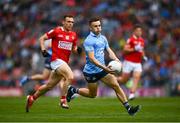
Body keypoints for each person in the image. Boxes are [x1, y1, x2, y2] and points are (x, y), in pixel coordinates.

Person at [66, 17, 140, 116]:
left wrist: (116, 59)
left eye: (99, 26)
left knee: (116, 86)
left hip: (102, 70)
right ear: (90, 28)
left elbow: (109, 50)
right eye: (95, 26)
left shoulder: (103, 38)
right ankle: (73, 90)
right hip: (90, 72)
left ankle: (129, 108)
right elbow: (92, 59)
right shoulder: (88, 41)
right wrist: (105, 68)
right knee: (92, 95)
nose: (98, 28)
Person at [25, 14, 82, 112]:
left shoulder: (73, 35)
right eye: (68, 21)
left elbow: (74, 48)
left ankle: (32, 98)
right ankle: (63, 100)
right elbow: (42, 38)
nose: (70, 24)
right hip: (56, 60)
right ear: (63, 22)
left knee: (49, 86)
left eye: (72, 22)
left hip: (63, 62)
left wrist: (78, 50)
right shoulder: (56, 31)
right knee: (70, 76)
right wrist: (43, 49)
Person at [117, 24, 147, 100]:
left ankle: (132, 94)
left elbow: (141, 49)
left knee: (136, 78)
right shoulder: (130, 40)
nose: (139, 32)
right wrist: (134, 49)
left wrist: (144, 56)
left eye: (140, 30)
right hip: (129, 62)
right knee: (124, 80)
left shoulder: (142, 40)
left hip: (138, 63)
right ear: (134, 31)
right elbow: (125, 50)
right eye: (138, 30)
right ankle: (112, 79)